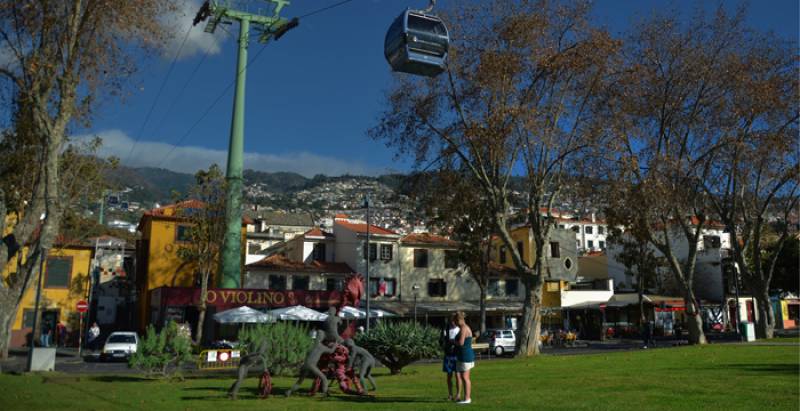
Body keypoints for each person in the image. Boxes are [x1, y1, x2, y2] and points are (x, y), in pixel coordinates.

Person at [454, 311, 474, 405]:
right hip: (463, 355)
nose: (455, 323)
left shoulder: (464, 328)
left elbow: (461, 343)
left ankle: (467, 398)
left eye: (455, 321)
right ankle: (466, 398)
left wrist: (452, 342)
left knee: (465, 378)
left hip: (465, 355)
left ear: (459, 320)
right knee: (463, 377)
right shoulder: (463, 327)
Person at [441, 316, 460, 401]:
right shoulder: (445, 329)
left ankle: (458, 395)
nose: (452, 322)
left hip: (457, 355)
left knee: (457, 376)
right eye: (451, 320)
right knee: (449, 376)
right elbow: (441, 341)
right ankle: (450, 394)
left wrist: (454, 342)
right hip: (448, 355)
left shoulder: (459, 329)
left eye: (454, 320)